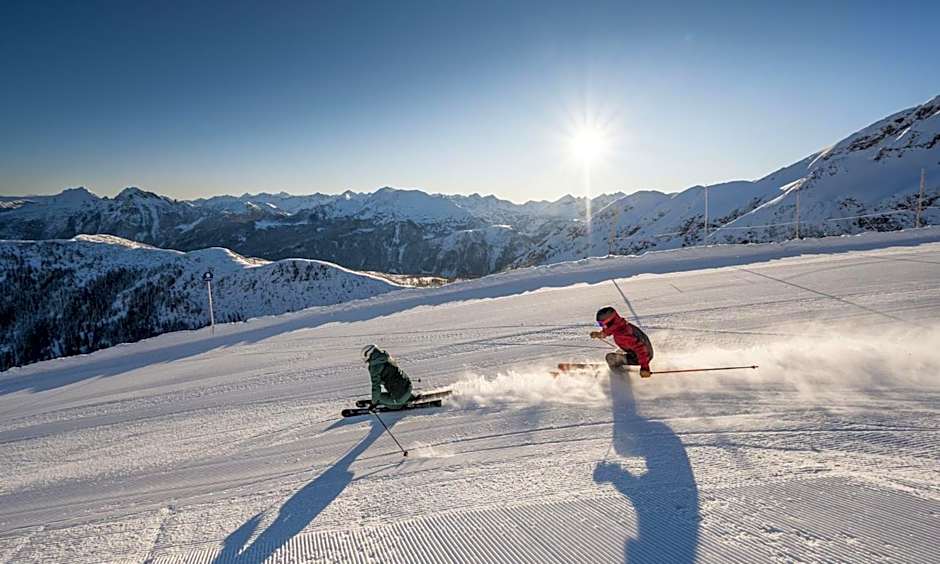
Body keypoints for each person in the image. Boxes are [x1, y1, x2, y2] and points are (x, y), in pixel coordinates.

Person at [590, 306, 654, 377]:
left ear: (609, 321)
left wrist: (644, 368)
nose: (601, 326)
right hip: (642, 351)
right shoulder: (620, 324)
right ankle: (621, 365)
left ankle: (618, 376)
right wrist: (600, 334)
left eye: (601, 324)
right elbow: (612, 329)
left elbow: (641, 349)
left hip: (642, 357)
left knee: (611, 358)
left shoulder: (622, 334)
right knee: (618, 352)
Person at [361, 344, 414, 409]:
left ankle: (403, 403)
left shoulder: (374, 367)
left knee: (381, 399)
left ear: (368, 354)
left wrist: (374, 403)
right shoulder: (386, 357)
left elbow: (376, 387)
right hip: (408, 386)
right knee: (396, 387)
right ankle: (408, 397)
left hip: (400, 396)